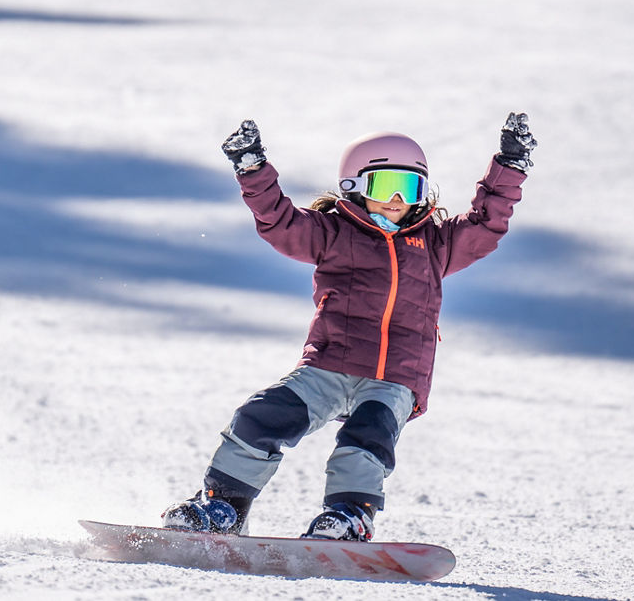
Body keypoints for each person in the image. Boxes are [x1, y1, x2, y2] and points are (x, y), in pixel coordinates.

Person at [162, 113, 538, 540]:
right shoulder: (333, 233)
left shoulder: (436, 244)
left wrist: (510, 165)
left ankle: (349, 515)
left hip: (394, 377)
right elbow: (281, 223)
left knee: (365, 438)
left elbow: (487, 224)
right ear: (354, 187)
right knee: (260, 416)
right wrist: (253, 169)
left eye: (410, 187)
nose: (397, 199)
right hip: (330, 364)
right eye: (382, 186)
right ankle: (223, 504)